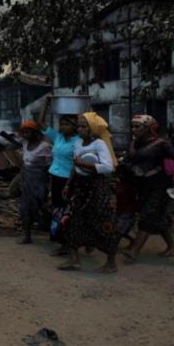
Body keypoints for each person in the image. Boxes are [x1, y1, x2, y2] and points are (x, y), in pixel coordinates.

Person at [57, 112, 119, 273]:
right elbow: (75, 166)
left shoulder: (99, 144)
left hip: (97, 188)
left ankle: (111, 263)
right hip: (80, 187)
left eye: (83, 126)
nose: (80, 129)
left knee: (102, 223)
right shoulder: (78, 143)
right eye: (78, 126)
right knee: (72, 221)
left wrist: (86, 166)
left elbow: (108, 167)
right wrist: (68, 185)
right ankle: (74, 260)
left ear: (92, 129)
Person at [122, 114, 174, 264]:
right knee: (156, 216)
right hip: (141, 185)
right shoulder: (134, 143)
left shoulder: (161, 144)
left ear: (148, 128)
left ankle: (134, 252)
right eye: (133, 126)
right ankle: (172, 246)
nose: (134, 130)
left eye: (138, 127)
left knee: (147, 215)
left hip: (159, 185)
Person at [37, 96, 79, 255]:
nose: (62, 126)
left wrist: (69, 183)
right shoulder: (58, 137)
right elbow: (40, 124)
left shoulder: (79, 141)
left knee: (67, 211)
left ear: (75, 127)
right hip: (56, 179)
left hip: (70, 180)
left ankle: (68, 244)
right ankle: (63, 241)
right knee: (57, 210)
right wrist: (45, 103)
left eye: (67, 124)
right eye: (61, 123)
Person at [15, 120, 52, 245]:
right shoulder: (25, 144)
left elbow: (49, 167)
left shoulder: (45, 146)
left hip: (39, 181)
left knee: (42, 206)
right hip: (27, 181)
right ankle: (27, 236)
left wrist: (49, 184)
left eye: (27, 132)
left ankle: (52, 232)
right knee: (25, 208)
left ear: (35, 132)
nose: (25, 134)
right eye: (23, 132)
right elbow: (23, 163)